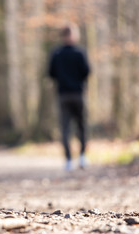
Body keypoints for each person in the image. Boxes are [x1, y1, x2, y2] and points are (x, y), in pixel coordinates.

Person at [48, 23, 90, 171]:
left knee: (67, 128)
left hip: (64, 94)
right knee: (80, 126)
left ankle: (70, 159)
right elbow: (86, 71)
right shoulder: (79, 52)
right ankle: (80, 157)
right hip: (77, 93)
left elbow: (51, 73)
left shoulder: (57, 53)